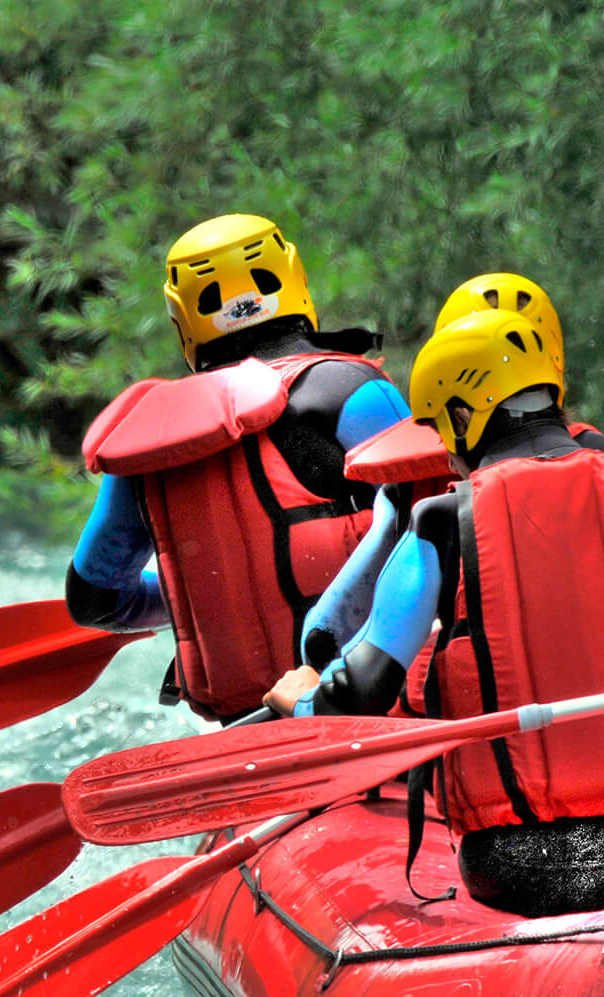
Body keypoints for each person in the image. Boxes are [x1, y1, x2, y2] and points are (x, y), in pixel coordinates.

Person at [266, 309, 604, 917]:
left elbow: (359, 693)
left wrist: (300, 702)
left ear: (463, 417)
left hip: (514, 865)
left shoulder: (439, 524)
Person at [298, 272, 604, 673]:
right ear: (552, 367)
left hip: (489, 747)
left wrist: (310, 693)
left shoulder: (416, 503)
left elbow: (324, 639)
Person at [66, 214, 408, 721]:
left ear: (183, 318)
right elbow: (440, 526)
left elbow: (94, 601)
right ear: (293, 279)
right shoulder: (350, 391)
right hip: (368, 701)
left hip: (245, 728)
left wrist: (201, 594)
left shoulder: (147, 443)